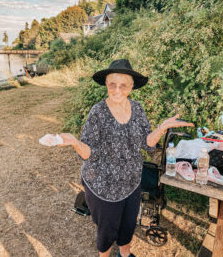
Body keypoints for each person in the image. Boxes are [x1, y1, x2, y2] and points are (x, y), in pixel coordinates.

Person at [59, 59, 194, 257]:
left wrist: (161, 128)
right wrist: (75, 142)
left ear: (131, 87)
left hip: (131, 180)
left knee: (128, 223)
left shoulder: (137, 109)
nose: (117, 90)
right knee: (106, 229)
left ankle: (125, 253)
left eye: (124, 85)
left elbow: (147, 143)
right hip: (102, 184)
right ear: (106, 84)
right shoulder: (98, 112)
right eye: (112, 83)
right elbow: (89, 154)